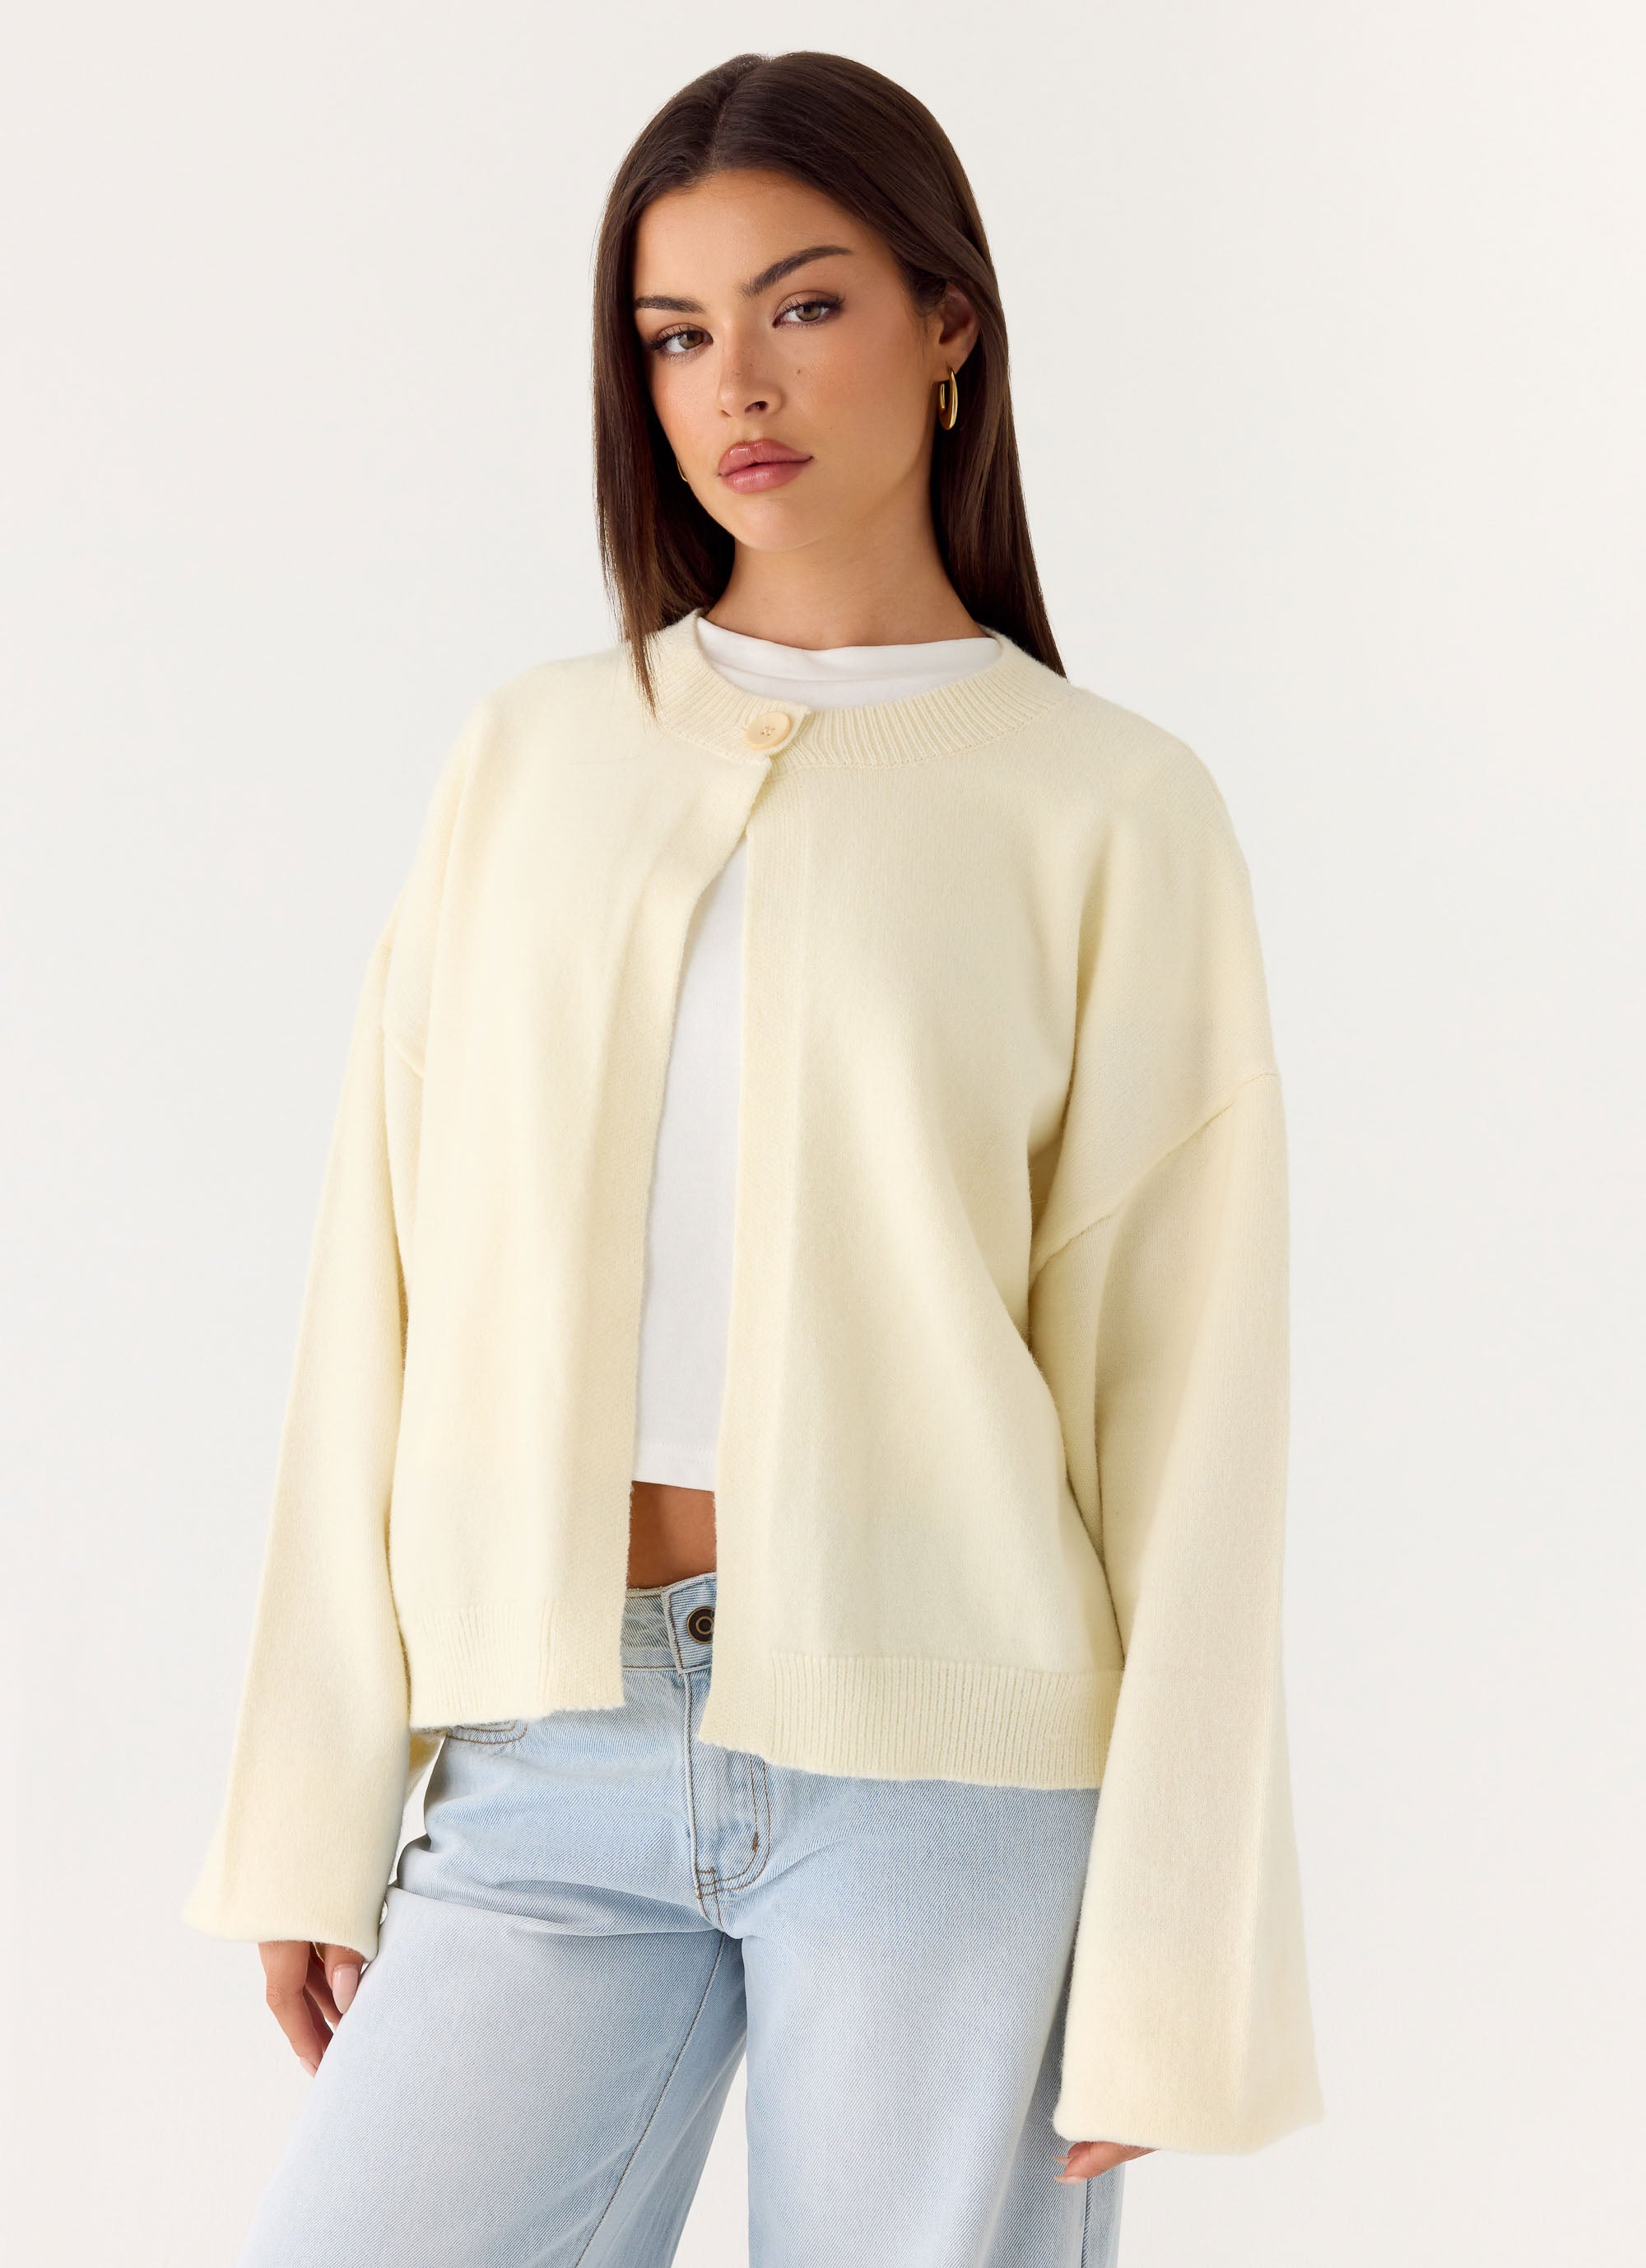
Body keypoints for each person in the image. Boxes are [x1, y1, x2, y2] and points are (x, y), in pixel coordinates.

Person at [184, 48, 1323, 2266]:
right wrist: (314, 1803)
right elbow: (378, 1287)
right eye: (676, 333)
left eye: (803, 306)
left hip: (950, 1783)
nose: (738, 386)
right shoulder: (532, 757)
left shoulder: (1107, 805)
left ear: (947, 321)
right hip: (548, 1747)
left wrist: (1172, 1955)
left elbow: (1191, 1403)